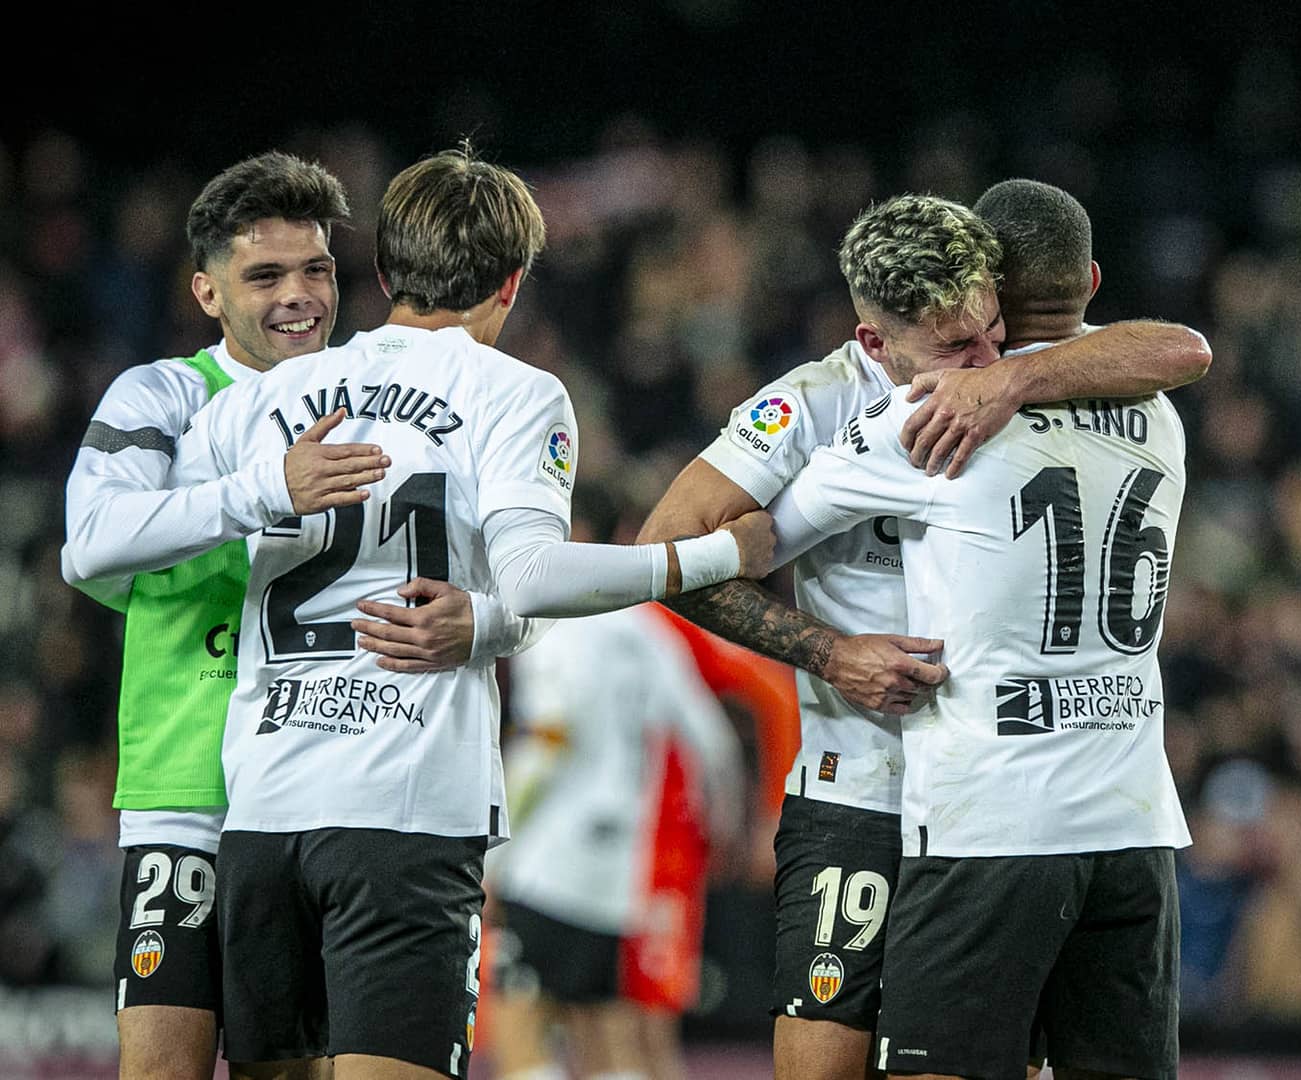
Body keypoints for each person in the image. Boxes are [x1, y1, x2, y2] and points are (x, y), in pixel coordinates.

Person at [72, 144, 772, 1080]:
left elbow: (110, 545)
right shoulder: (520, 394)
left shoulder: (258, 402)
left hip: (263, 812)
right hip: (403, 809)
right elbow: (529, 580)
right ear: (513, 283)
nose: (295, 295)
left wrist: (482, 616)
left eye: (312, 269)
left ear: (376, 271)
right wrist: (716, 556)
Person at [636, 190, 1208, 1080]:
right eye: (956, 345)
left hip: (993, 799)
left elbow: (1182, 348)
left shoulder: (1030, 379)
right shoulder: (820, 403)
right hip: (865, 783)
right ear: (877, 342)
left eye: (994, 327)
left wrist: (1013, 375)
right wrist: (829, 652)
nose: (984, 357)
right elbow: (673, 550)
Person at [59, 152, 532, 1080]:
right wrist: (264, 489)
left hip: (330, 776)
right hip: (190, 791)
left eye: (316, 269)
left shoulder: (370, 392)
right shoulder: (165, 394)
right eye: (264, 276)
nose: (299, 297)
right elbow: (90, 543)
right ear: (207, 291)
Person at [486, 484, 744, 1080]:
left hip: (551, 853)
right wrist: (725, 829)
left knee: (521, 1023)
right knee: (603, 1028)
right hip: (619, 863)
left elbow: (550, 740)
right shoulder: (650, 629)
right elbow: (714, 741)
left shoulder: (559, 623)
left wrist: (494, 850)